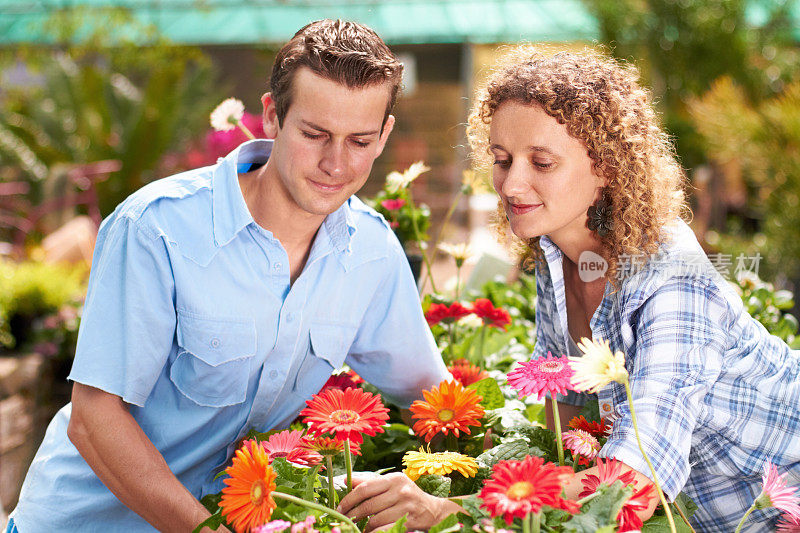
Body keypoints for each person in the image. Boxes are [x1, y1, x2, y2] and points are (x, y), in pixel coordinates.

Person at [8, 19, 451, 533]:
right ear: (270, 116)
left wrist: (453, 496)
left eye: (359, 140)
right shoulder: (156, 228)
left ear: (384, 137)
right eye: (314, 134)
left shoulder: (371, 252)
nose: (335, 163)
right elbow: (94, 418)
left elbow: (432, 396)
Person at [463, 47, 800, 531]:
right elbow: (568, 402)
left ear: (605, 166)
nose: (512, 184)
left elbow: (632, 489)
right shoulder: (557, 253)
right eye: (501, 159)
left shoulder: (672, 280)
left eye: (541, 162)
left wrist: (464, 510)